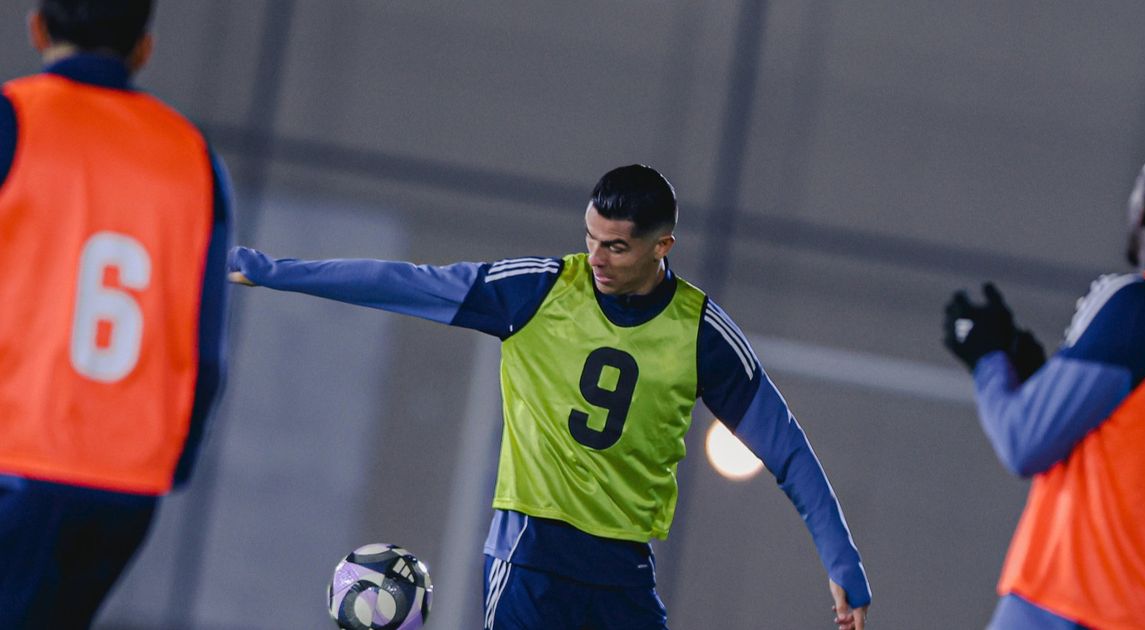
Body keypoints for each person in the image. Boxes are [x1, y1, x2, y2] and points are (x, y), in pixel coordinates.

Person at [227, 164, 871, 629]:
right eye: (590, 237)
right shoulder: (538, 291)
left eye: (616, 246)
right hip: (529, 558)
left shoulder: (701, 334)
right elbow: (403, 282)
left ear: (662, 247)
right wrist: (276, 272)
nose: (596, 257)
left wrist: (840, 558)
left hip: (623, 571)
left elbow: (786, 449)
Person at [0, 1, 232, 627]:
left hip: (17, 455)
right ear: (143, 48)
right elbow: (205, 346)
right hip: (123, 485)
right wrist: (171, 462)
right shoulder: (192, 156)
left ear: (37, 27)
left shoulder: (14, 117)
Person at [942, 139, 1145, 629]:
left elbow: (1024, 440)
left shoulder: (1140, 305)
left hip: (1069, 607)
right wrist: (1041, 378)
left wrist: (987, 357)